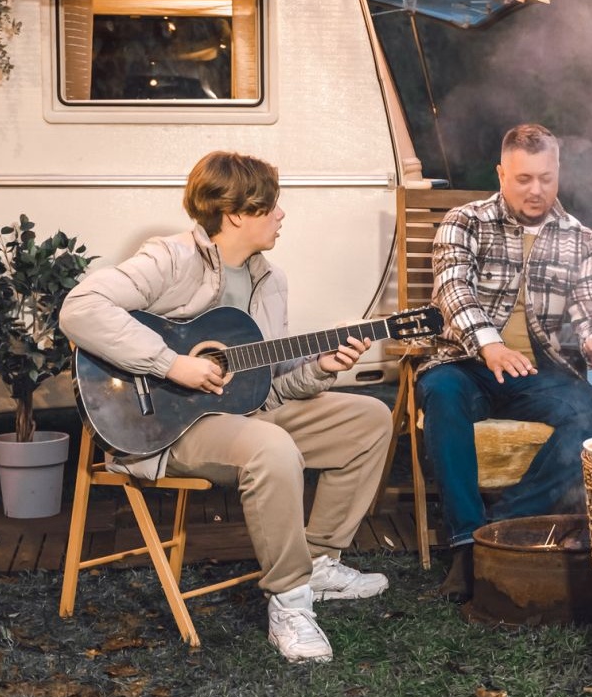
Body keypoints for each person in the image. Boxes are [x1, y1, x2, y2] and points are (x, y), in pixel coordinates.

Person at [60, 151, 392, 664]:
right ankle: (290, 600)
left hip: (246, 417)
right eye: (272, 207)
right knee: (270, 446)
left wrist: (322, 368)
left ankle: (320, 561)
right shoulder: (170, 258)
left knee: (368, 418)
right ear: (237, 213)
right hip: (168, 427)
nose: (281, 215)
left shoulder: (270, 280)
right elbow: (80, 309)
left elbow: (269, 387)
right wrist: (171, 363)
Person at [417, 123, 592, 602]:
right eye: (524, 179)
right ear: (501, 173)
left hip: (538, 373)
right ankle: (466, 546)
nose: (536, 190)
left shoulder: (579, 237)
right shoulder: (465, 220)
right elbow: (453, 290)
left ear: (558, 173)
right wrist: (490, 344)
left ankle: (499, 527)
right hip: (468, 362)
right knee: (441, 393)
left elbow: (590, 303)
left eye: (546, 178)